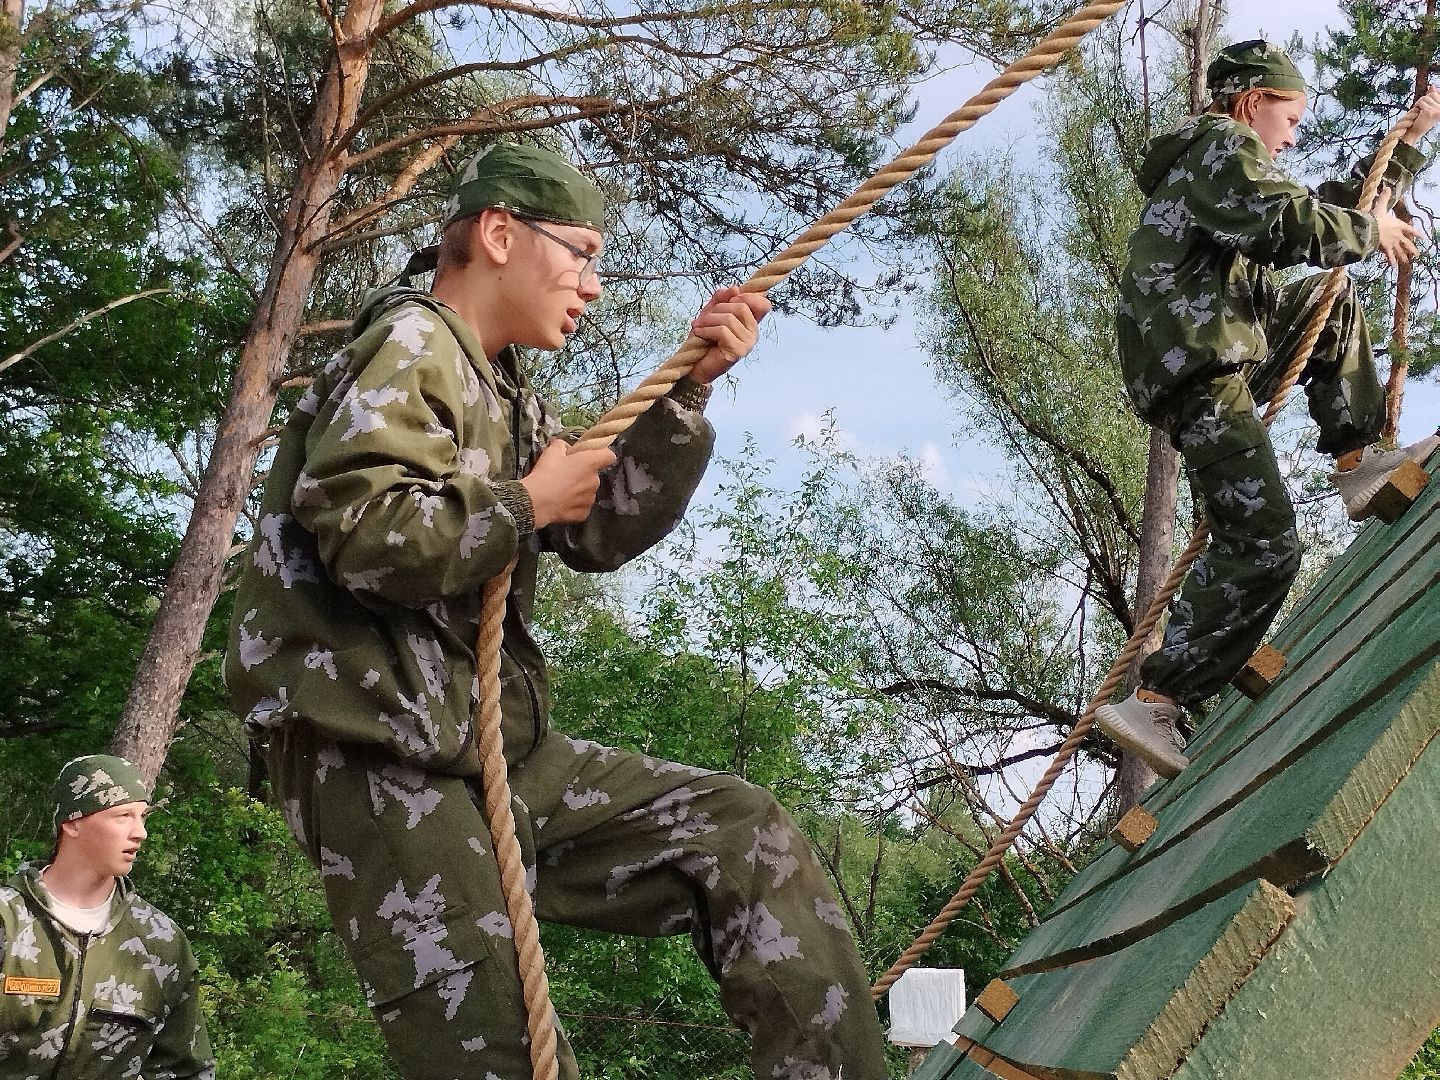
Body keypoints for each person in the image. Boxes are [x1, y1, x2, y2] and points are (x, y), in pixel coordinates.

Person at [225, 142, 889, 1079]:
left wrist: (688, 387)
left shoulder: (502, 392)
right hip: (374, 748)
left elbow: (600, 526)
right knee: (510, 1053)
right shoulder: (412, 343)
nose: (594, 284)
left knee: (739, 836)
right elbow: (368, 536)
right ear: (499, 234)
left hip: (481, 745)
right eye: (581, 252)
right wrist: (523, 504)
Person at [1097, 40, 1440, 779]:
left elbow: (1322, 212)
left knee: (1330, 300)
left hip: (1223, 348)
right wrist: (1368, 233)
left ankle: (1358, 461)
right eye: (1289, 119)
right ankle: (1157, 697)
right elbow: (1291, 224)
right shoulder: (1220, 147)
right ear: (1253, 102)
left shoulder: (1224, 169)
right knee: (1265, 545)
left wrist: (1405, 147)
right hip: (1201, 370)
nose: (1290, 138)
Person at [0, 754, 214, 1079]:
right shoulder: (8, 921)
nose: (140, 832)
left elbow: (185, 1070)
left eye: (143, 817)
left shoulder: (160, 942)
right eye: (123, 816)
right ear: (72, 822)